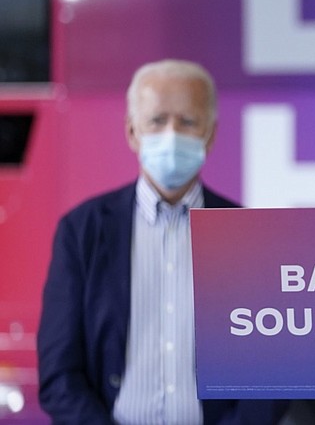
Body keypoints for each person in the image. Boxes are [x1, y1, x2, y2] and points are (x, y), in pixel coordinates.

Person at [37, 60, 289, 424]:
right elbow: (59, 373)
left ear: (211, 134)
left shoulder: (249, 234)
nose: (171, 134)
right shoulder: (81, 231)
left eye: (187, 121)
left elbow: (272, 372)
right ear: (131, 132)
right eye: (157, 120)